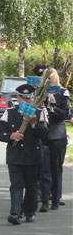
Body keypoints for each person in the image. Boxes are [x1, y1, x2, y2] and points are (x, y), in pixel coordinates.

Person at [0, 84, 48, 225]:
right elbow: (0, 133)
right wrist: (11, 135)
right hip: (15, 156)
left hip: (33, 156)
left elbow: (45, 135)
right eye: (23, 98)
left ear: (33, 98)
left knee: (31, 186)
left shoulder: (39, 112)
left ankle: (29, 211)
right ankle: (15, 213)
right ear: (17, 97)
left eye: (29, 98)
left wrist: (34, 124)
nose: (26, 101)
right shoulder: (10, 112)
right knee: (16, 185)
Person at [44, 68, 70, 209]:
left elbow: (65, 113)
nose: (49, 79)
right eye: (46, 77)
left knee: (56, 167)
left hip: (57, 134)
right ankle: (42, 195)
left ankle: (56, 196)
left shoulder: (62, 92)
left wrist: (52, 108)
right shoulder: (40, 92)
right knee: (42, 167)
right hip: (42, 134)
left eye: (51, 77)